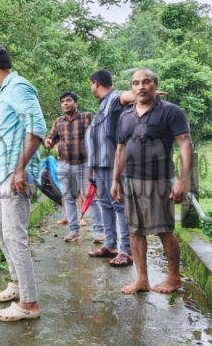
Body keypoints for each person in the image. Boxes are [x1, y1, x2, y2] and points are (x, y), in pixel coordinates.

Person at [0, 44, 45, 322]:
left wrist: (20, 170)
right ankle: (17, 282)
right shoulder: (6, 91)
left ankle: (29, 304)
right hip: (3, 172)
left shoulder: (18, 87)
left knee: (16, 235)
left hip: (16, 174)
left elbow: (37, 128)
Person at [110, 68, 194, 294]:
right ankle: (142, 280)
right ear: (132, 88)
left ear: (155, 86)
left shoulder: (170, 112)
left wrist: (182, 181)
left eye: (146, 82)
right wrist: (115, 180)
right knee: (134, 231)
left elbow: (185, 144)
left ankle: (174, 278)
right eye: (136, 83)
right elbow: (121, 148)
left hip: (158, 181)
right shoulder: (125, 115)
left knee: (164, 230)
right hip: (131, 181)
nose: (141, 86)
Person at [85, 69, 135, 267]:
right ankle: (111, 244)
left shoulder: (114, 98)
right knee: (105, 204)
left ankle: (126, 251)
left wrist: (143, 94)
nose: (91, 88)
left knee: (119, 205)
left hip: (114, 163)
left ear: (95, 83)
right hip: (100, 165)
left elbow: (126, 96)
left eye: (91, 85)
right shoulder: (101, 106)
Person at [44, 91, 104, 243]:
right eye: (63, 101)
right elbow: (51, 137)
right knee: (69, 197)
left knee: (89, 197)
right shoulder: (58, 122)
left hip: (84, 164)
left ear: (75, 103)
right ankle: (73, 230)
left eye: (68, 100)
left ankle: (99, 231)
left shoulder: (87, 117)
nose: (65, 103)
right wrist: (49, 142)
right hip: (65, 165)